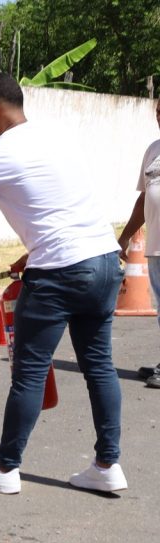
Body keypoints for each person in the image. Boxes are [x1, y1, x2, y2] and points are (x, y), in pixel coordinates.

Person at [0, 73, 127, 495]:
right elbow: (59, 204)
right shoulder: (58, 137)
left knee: (29, 372)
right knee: (99, 365)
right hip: (104, 260)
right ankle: (108, 464)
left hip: (59, 272)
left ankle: (5, 468)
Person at [116, 97, 160, 389]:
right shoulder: (153, 150)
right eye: (159, 111)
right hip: (155, 248)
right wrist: (124, 236)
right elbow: (145, 197)